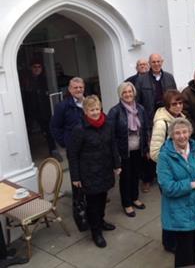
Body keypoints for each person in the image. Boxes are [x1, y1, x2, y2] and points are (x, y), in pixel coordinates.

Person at [157, 118, 195, 267]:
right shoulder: (164, 157)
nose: (182, 136)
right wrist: (193, 184)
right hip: (179, 211)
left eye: (184, 132)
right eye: (177, 133)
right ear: (171, 136)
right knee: (184, 251)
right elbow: (167, 187)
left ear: (190, 132)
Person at [68, 95, 121, 248]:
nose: (96, 112)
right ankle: (95, 231)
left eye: (97, 109)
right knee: (92, 203)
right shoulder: (79, 129)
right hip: (88, 172)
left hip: (104, 169)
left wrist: (117, 164)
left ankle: (101, 220)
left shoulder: (108, 125)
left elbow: (113, 146)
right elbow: (73, 155)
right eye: (92, 110)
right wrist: (75, 177)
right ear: (85, 111)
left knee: (103, 198)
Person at [150, 89, 186, 253]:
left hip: (181, 173)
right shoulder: (162, 123)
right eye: (174, 103)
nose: (178, 106)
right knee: (171, 209)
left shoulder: (180, 118)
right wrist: (173, 163)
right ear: (167, 105)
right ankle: (169, 243)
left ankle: (178, 238)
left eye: (180, 102)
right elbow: (154, 153)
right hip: (168, 175)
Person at [135, 53, 177, 193]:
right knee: (150, 149)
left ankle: (168, 174)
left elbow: (175, 96)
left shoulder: (169, 77)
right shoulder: (142, 80)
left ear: (162, 62)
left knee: (168, 146)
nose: (156, 64)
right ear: (150, 63)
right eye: (154, 62)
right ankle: (147, 179)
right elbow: (138, 102)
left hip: (167, 117)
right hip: (150, 119)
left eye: (159, 61)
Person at [107, 82, 148, 218]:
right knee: (125, 178)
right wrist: (114, 156)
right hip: (123, 151)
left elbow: (145, 130)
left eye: (130, 91)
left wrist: (146, 148)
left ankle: (135, 198)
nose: (128, 94)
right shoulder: (114, 111)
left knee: (136, 174)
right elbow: (111, 136)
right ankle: (127, 203)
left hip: (138, 148)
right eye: (125, 92)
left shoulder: (140, 109)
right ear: (120, 94)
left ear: (134, 92)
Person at [20, 59, 61, 161]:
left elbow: (52, 92)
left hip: (45, 110)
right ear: (31, 68)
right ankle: (26, 157)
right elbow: (25, 95)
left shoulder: (46, 79)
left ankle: (53, 151)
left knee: (48, 130)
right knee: (26, 132)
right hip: (30, 110)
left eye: (39, 67)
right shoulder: (26, 80)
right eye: (35, 67)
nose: (37, 69)